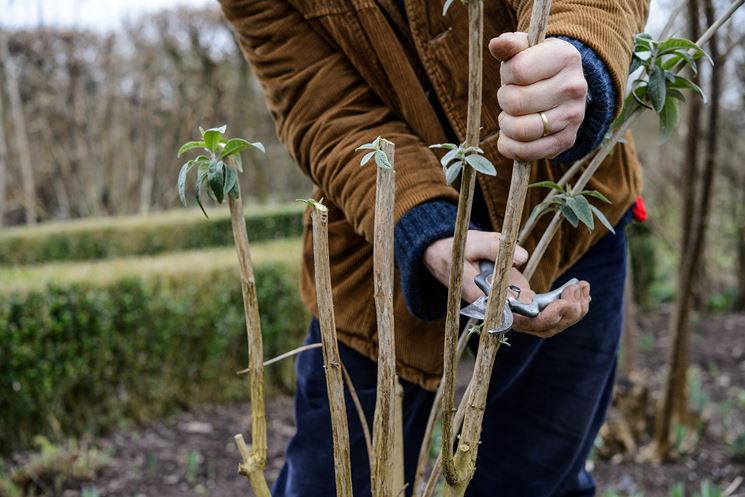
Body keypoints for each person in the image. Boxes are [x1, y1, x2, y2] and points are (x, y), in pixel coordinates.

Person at [219, 1, 649, 495]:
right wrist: (424, 227)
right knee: (337, 479)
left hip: (564, 212)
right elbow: (323, 107)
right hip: (375, 248)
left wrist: (580, 54)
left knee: (536, 475)